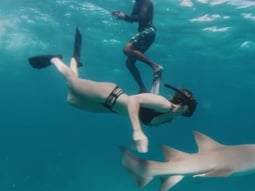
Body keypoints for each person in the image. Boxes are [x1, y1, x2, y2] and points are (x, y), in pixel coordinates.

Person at [28, 28, 197, 154]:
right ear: (183, 106)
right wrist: (137, 131)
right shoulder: (165, 105)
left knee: (71, 99)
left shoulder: (167, 118)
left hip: (108, 108)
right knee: (72, 83)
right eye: (186, 112)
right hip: (110, 95)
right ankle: (54, 60)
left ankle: (75, 61)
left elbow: (148, 103)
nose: (183, 115)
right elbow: (134, 101)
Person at [111, 0, 163, 93]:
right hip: (146, 32)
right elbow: (132, 18)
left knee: (127, 49)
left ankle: (155, 66)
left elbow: (141, 17)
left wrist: (124, 16)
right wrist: (122, 16)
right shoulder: (137, 3)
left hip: (148, 31)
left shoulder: (146, 1)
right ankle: (142, 88)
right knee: (129, 63)